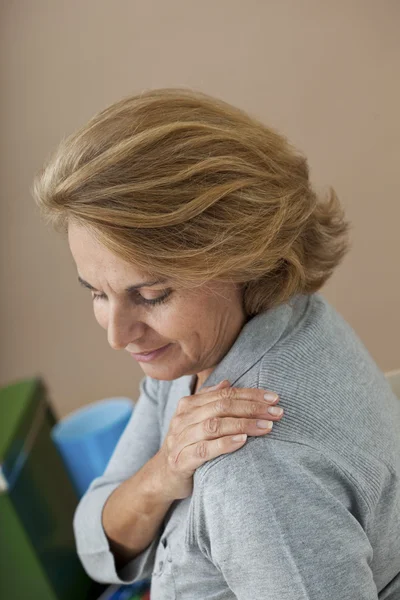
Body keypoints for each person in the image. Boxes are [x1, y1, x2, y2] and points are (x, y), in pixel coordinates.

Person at [33, 88, 400, 599]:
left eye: (152, 294)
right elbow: (95, 549)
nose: (117, 335)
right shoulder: (229, 338)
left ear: (242, 257)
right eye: (97, 292)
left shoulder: (255, 472)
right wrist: (162, 473)